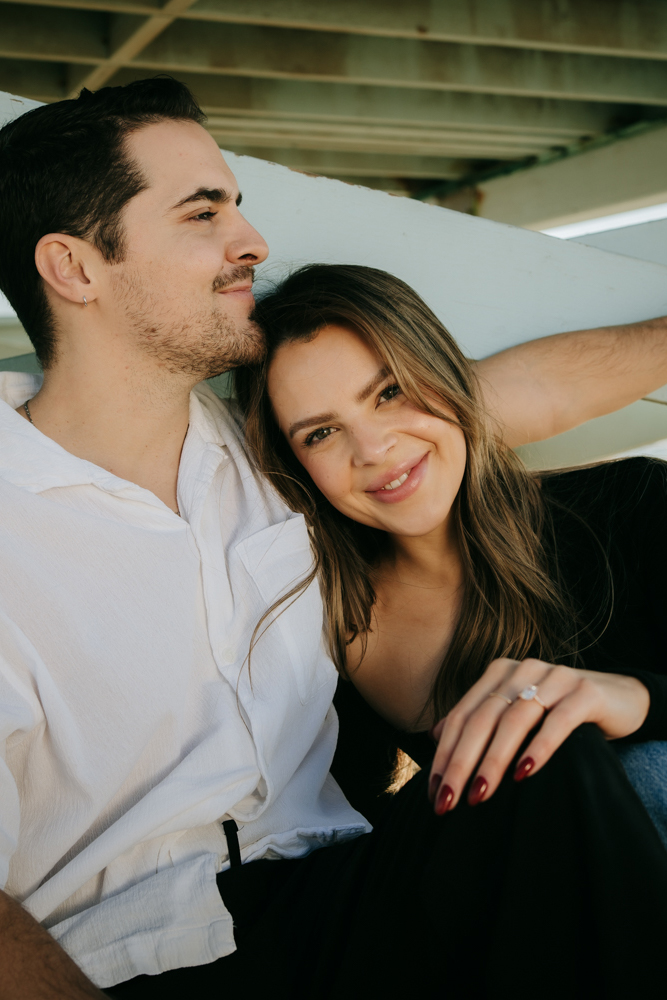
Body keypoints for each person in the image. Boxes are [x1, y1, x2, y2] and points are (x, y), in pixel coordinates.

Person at [0, 78, 666, 999]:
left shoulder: (281, 455)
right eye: (203, 213)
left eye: (237, 205)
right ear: (74, 269)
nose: (252, 244)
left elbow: (486, 403)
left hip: (345, 894)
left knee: (549, 770)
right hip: (138, 958)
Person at [236, 262, 667, 996]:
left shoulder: (629, 504)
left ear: (443, 374)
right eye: (321, 432)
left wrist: (635, 699)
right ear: (295, 465)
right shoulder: (335, 633)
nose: (372, 450)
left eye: (390, 392)